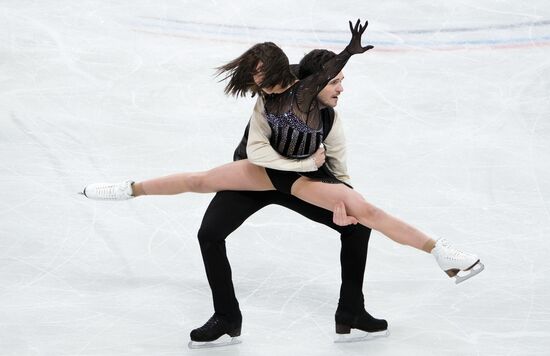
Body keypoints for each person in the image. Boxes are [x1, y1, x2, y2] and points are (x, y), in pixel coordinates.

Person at [82, 19, 484, 342]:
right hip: (258, 174)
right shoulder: (270, 97)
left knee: (360, 219)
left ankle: (368, 300)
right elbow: (258, 153)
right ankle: (221, 311)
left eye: (341, 80)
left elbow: (338, 169)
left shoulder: (328, 116)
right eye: (336, 82)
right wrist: (306, 160)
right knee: (204, 204)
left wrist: (340, 199)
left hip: (302, 181)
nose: (341, 88)